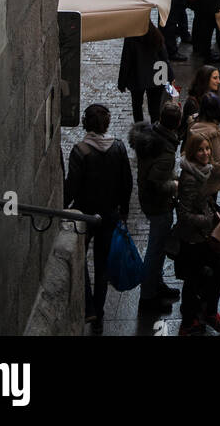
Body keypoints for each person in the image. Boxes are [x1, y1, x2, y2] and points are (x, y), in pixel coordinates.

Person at [64, 103, 133, 335]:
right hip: (109, 215)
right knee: (102, 267)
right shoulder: (119, 148)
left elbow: (71, 187)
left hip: (85, 214)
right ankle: (99, 316)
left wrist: (62, 207)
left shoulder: (80, 151)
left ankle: (89, 306)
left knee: (80, 260)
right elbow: (127, 182)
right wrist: (123, 209)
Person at [174, 131, 220, 335]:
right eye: (200, 150)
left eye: (207, 148)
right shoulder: (190, 177)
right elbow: (183, 214)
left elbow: (202, 201)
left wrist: (212, 210)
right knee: (195, 278)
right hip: (193, 239)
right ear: (192, 152)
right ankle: (190, 321)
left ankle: (206, 313)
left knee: (217, 271)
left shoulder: (203, 170)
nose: (206, 152)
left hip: (202, 236)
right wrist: (207, 219)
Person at [128, 98, 183, 313]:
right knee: (155, 249)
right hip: (158, 205)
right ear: (177, 125)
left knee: (157, 249)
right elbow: (157, 182)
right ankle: (148, 295)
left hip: (149, 200)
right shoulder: (166, 151)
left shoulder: (151, 135)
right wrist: (175, 184)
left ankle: (156, 285)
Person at [117, 22, 171, 124]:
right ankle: (155, 131)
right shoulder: (155, 34)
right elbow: (164, 57)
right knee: (154, 109)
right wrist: (170, 76)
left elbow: (126, 61)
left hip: (137, 76)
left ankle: (140, 130)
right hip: (157, 75)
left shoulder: (131, 37)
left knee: (137, 106)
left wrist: (122, 82)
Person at [185, 90, 220, 167]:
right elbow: (219, 164)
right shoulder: (213, 134)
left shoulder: (192, 124)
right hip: (209, 176)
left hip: (193, 171)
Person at [181, 64, 220, 132]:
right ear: (205, 79)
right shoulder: (192, 103)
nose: (219, 81)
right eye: (215, 78)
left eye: (218, 77)